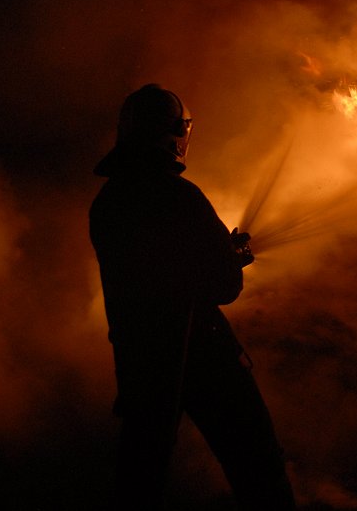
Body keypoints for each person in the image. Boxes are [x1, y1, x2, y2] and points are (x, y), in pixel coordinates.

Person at [89, 84, 295, 510]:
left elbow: (147, 274)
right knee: (257, 466)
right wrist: (232, 258)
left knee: (139, 479)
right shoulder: (181, 197)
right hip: (201, 355)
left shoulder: (107, 203)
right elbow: (223, 286)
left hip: (140, 360)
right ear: (174, 134)